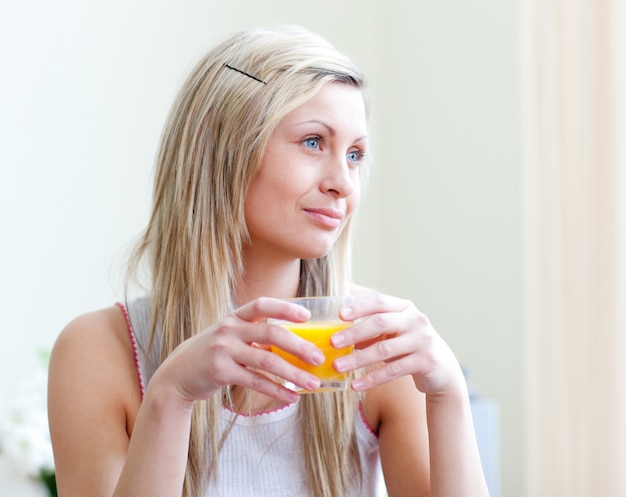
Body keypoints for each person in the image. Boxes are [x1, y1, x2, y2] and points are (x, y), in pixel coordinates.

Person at [47, 25, 489, 497]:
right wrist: (170, 395)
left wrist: (448, 397)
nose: (344, 183)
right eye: (314, 142)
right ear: (223, 150)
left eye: (356, 154)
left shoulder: (374, 344)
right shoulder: (97, 351)